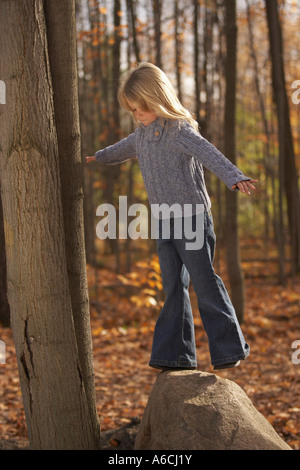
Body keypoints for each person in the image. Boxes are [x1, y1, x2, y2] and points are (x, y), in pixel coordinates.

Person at [86, 62, 258, 371]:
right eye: (132, 111)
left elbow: (210, 154)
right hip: (163, 220)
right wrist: (98, 157)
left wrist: (234, 176)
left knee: (204, 283)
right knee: (173, 289)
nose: (137, 115)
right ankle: (176, 356)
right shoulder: (141, 136)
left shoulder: (180, 132)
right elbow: (120, 149)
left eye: (140, 109)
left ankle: (229, 349)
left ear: (157, 99)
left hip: (192, 219)